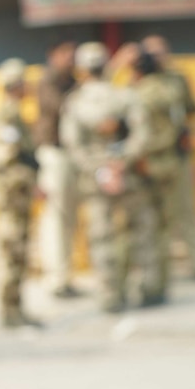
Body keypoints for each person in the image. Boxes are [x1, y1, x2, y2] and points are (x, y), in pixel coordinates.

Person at [60, 43, 154, 312]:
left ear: (81, 69)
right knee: (137, 233)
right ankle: (144, 288)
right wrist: (121, 163)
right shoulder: (125, 96)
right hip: (128, 176)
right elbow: (142, 134)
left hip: (96, 180)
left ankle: (110, 294)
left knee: (102, 237)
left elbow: (73, 145)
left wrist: (100, 169)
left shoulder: (75, 102)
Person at [142, 34, 195, 281]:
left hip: (178, 152)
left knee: (186, 209)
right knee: (156, 215)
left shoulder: (177, 79)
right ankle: (158, 269)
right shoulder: (139, 82)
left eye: (161, 52)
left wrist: (189, 133)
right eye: (152, 53)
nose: (158, 58)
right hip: (152, 156)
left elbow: (191, 108)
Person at [0, 58, 41, 328]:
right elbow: (5, 159)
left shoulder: (14, 113)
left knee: (19, 253)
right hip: (12, 195)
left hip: (18, 194)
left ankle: (16, 308)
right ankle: (8, 311)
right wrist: (29, 178)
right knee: (11, 252)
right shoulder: (6, 115)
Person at [127, 49, 183, 307]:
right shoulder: (170, 92)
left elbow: (140, 134)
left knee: (145, 229)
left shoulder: (138, 96)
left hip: (146, 166)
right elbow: (180, 125)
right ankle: (162, 285)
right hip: (169, 163)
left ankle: (149, 287)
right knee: (164, 228)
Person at [33, 39, 81, 298]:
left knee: (68, 217)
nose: (70, 57)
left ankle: (64, 274)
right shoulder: (48, 81)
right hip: (54, 154)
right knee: (56, 217)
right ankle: (56, 279)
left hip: (70, 154)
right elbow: (65, 107)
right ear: (52, 55)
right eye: (65, 52)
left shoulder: (74, 81)